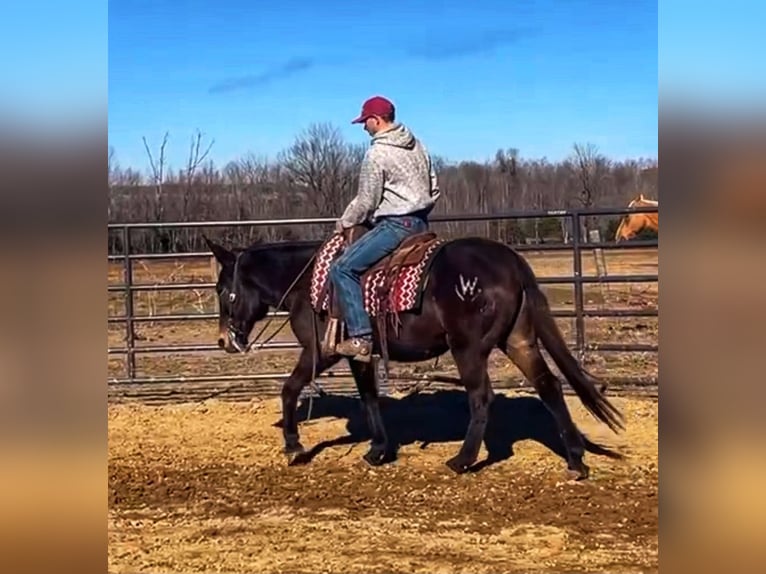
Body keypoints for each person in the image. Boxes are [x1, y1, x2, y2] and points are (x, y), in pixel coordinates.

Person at [328, 95, 441, 361]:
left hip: (395, 226)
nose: (363, 127)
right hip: (421, 224)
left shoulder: (377, 153)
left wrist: (344, 222)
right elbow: (434, 188)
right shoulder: (418, 146)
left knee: (342, 269)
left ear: (376, 120)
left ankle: (360, 337)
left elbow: (366, 201)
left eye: (365, 122)